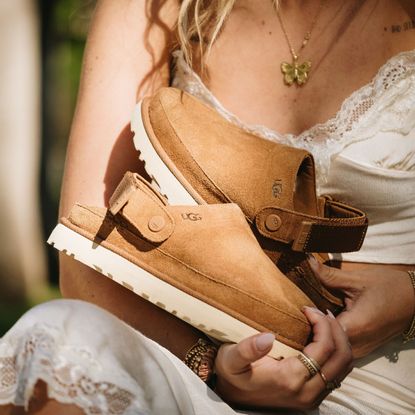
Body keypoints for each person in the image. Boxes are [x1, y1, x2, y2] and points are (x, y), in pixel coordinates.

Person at [0, 0, 414, 413]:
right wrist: (210, 366)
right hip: (185, 365)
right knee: (64, 338)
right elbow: (86, 245)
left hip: (386, 379)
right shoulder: (152, 8)